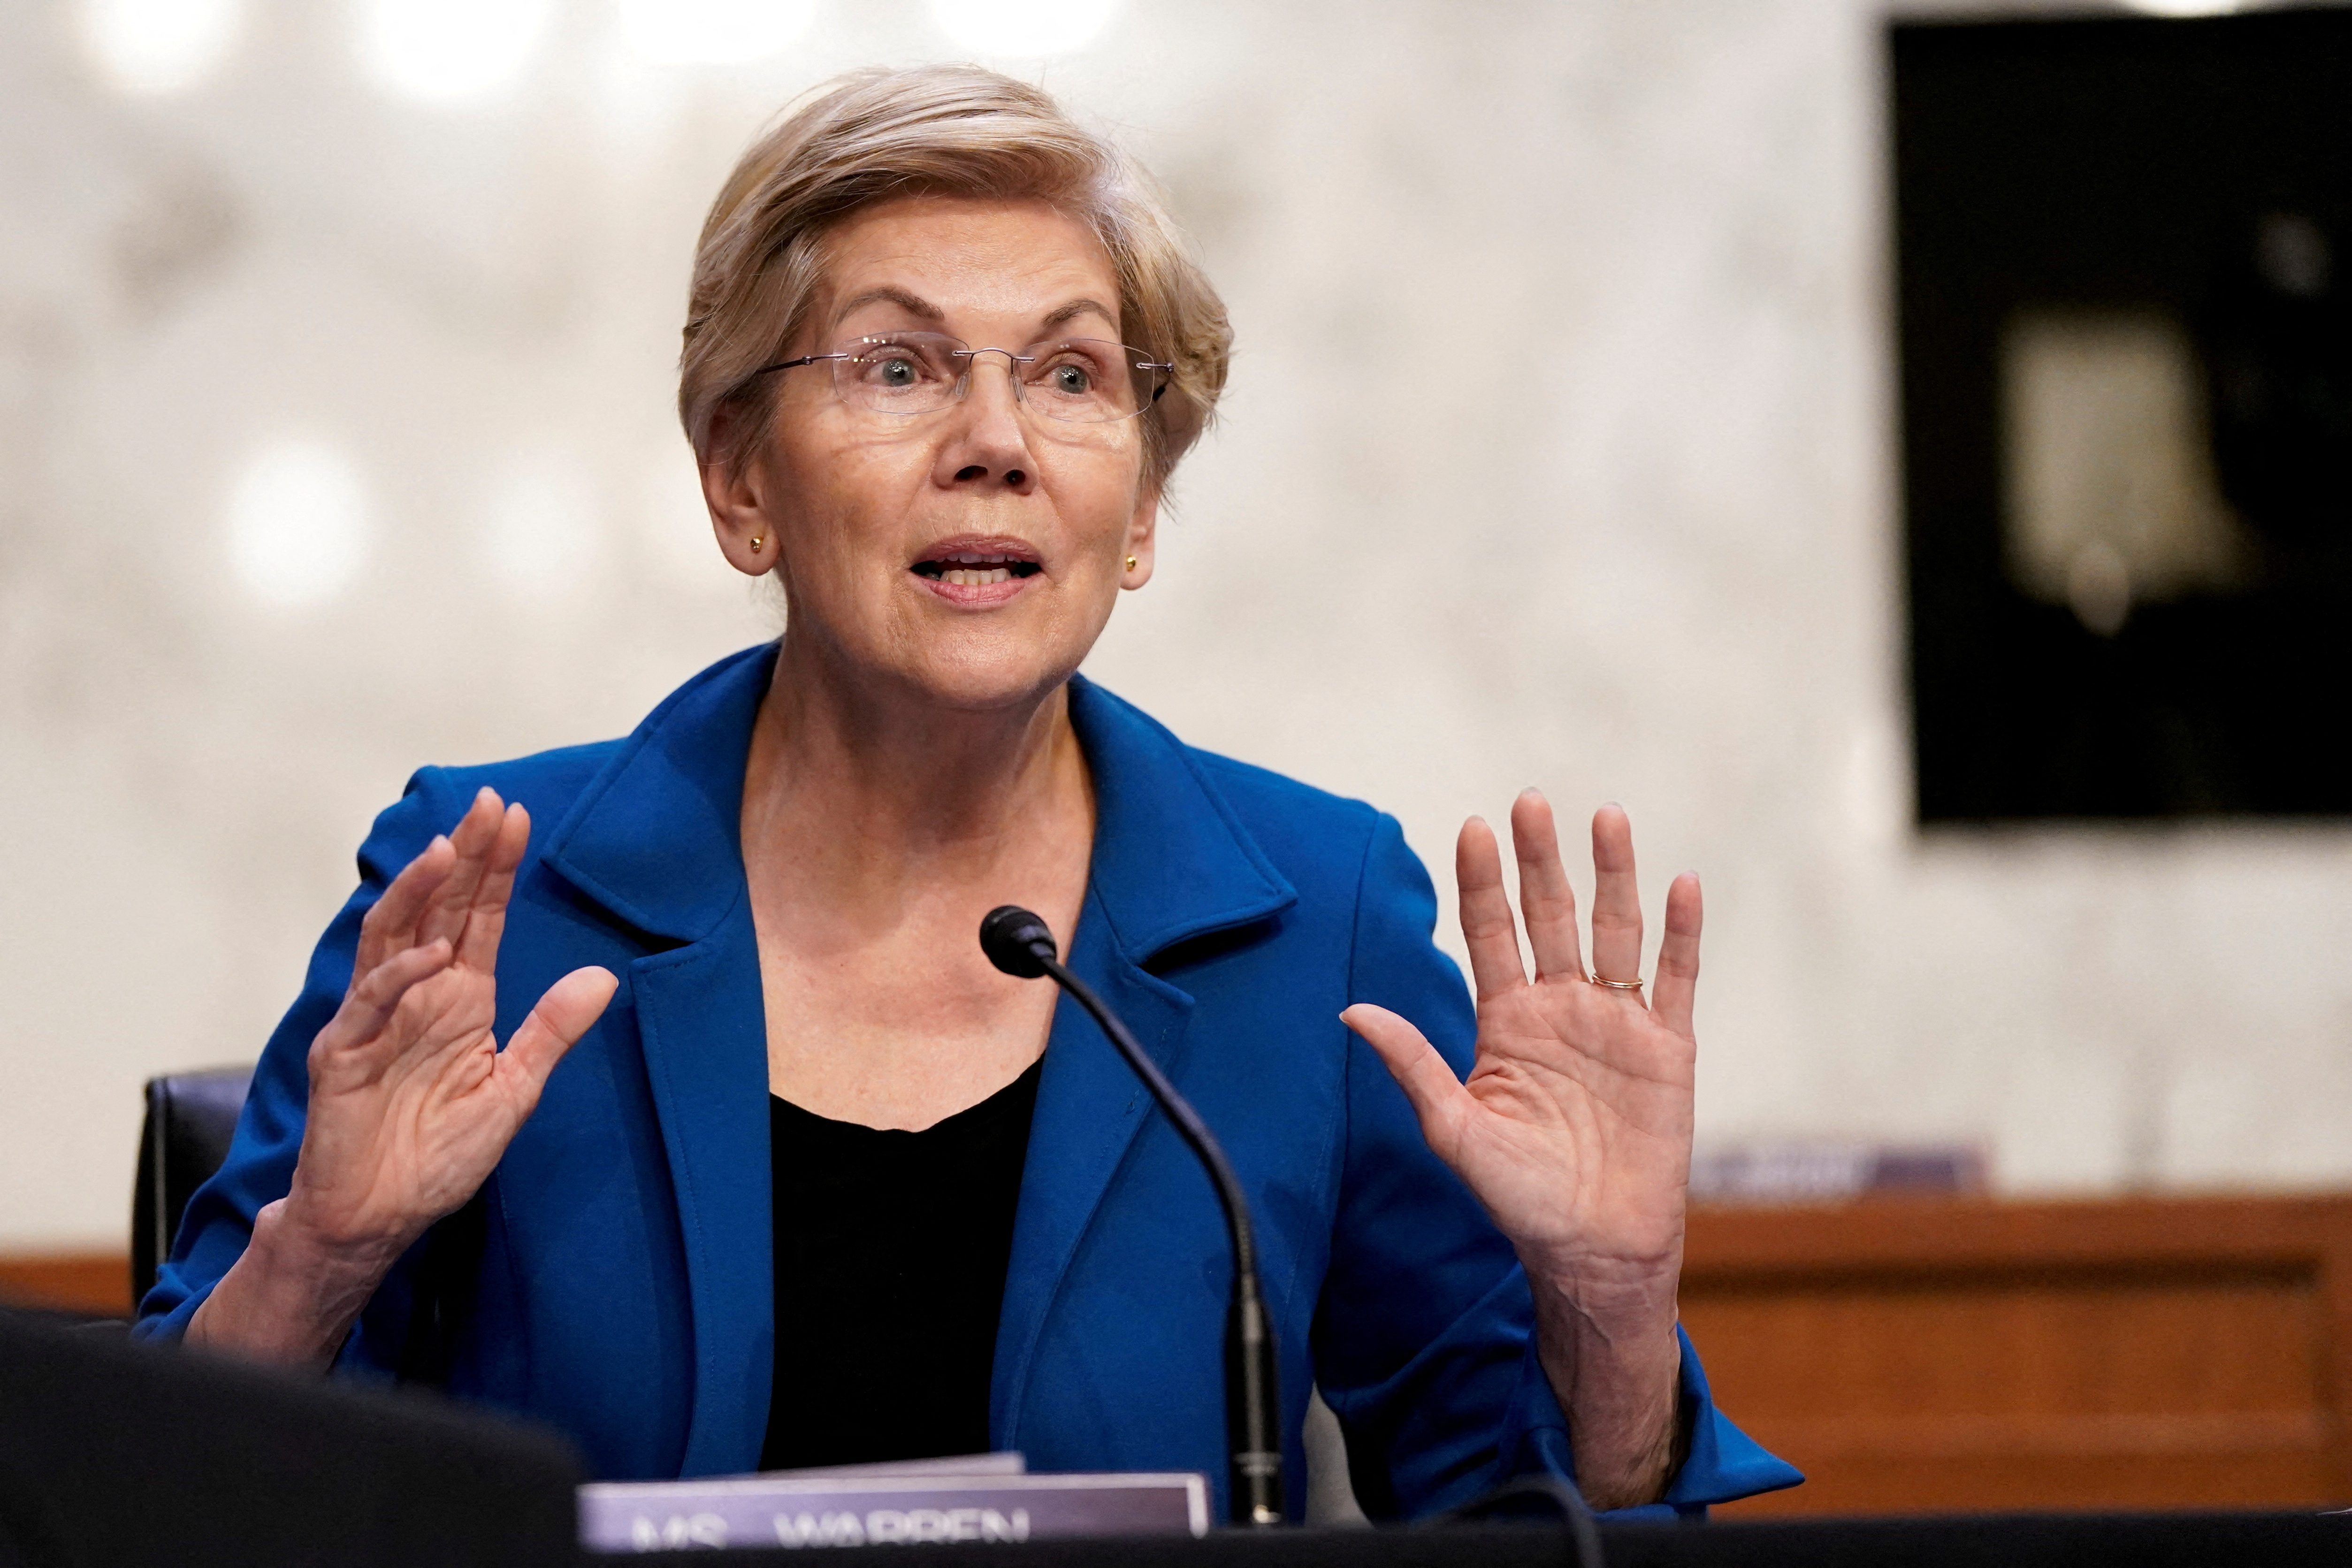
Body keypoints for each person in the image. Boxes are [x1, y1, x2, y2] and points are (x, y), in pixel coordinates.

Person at [137, 64, 1799, 1521]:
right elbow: (151, 1500)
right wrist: (323, 1259)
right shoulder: (500, 888)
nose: (995, 439)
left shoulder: (1316, 921)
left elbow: (1527, 1520)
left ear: (1139, 509)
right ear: (739, 484)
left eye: (1072, 378)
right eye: (897, 367)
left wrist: (1608, 1311)